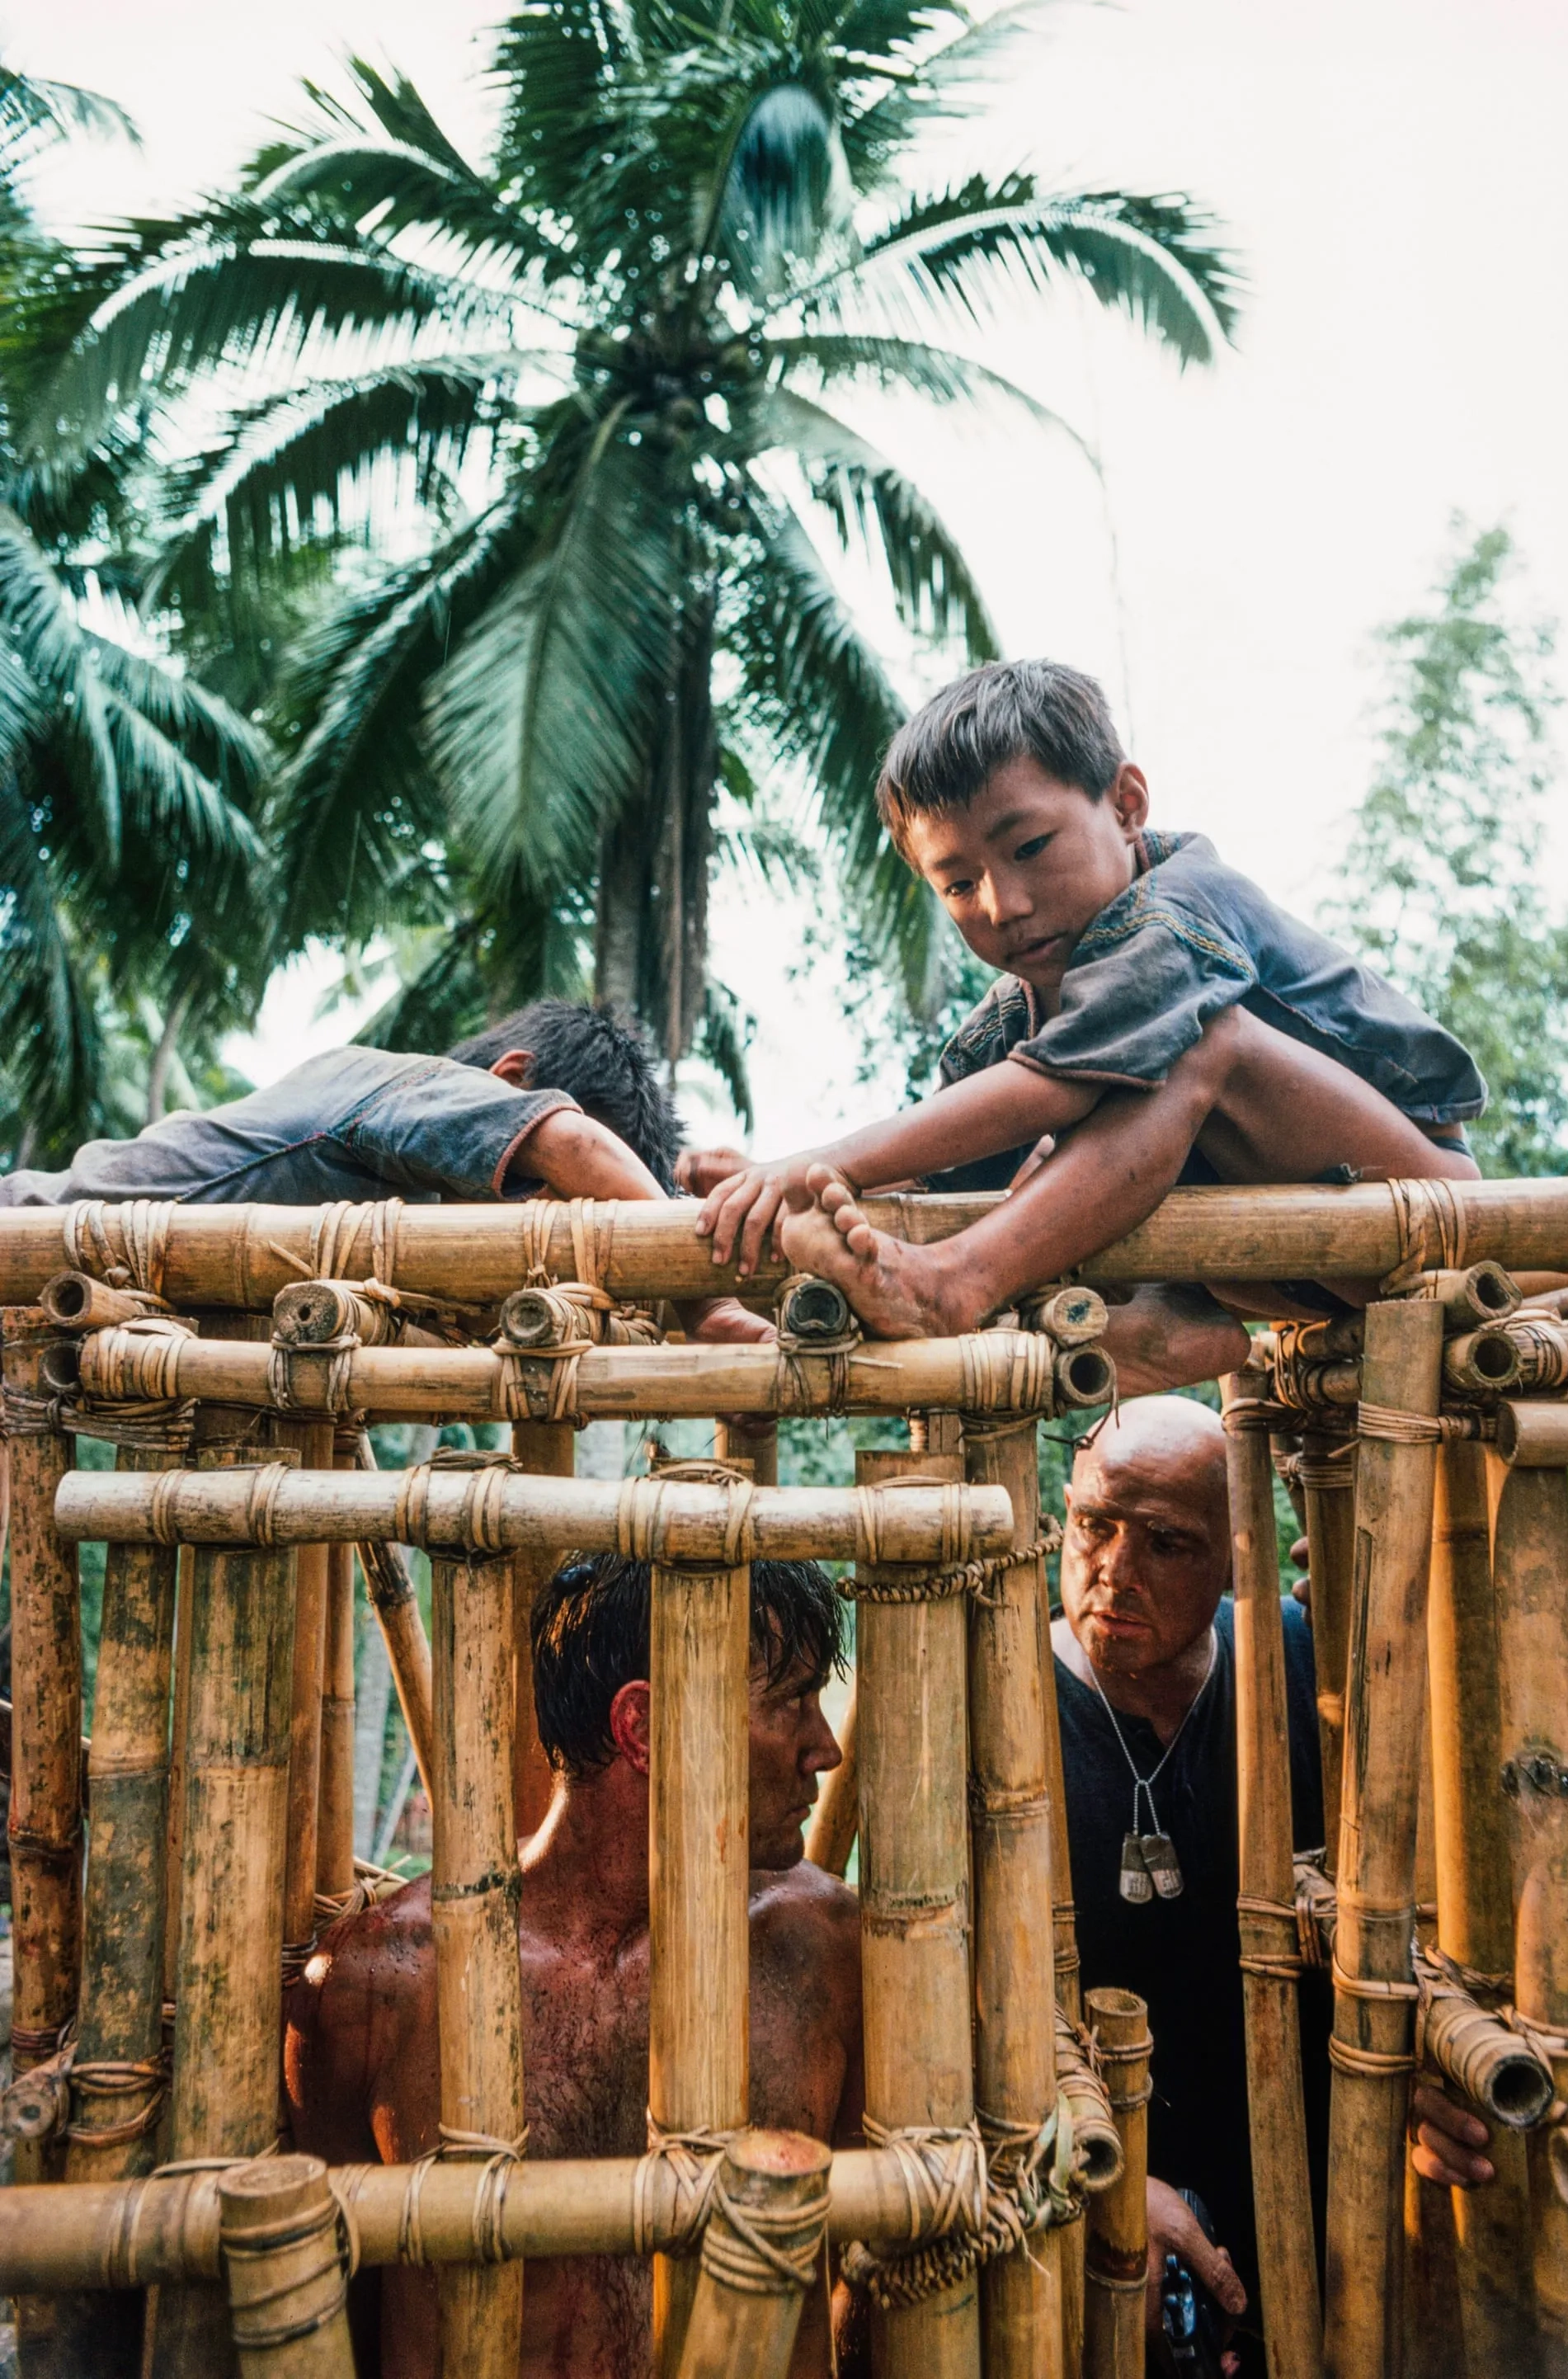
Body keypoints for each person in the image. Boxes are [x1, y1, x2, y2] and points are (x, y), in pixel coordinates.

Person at [684, 661, 1485, 1384]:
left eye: (1030, 846)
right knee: (1032, 1166)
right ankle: (1168, 1327)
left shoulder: (1178, 911)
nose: (1005, 904)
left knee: (1205, 1043)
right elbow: (940, 1169)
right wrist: (776, 1189)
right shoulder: (1009, 1023)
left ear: (1128, 805)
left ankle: (961, 1281)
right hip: (1275, 1275)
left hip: (1424, 1207)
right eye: (959, 885)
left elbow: (1054, 1090)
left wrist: (818, 1159)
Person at [286, 1551, 862, 2378]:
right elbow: (333, 2311)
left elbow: (882, 2271)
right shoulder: (382, 1985)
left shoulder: (827, 1954)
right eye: (791, 1702)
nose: (825, 1748)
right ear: (643, 1728)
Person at [1051, 1396, 1491, 2375]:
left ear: (1238, 1558)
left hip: (1333, 2221)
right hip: (1088, 2212)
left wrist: (1421, 2075)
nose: (1113, 1569)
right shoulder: (1002, 1708)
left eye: (1165, 1542)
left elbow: (1416, 1923)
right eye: (1093, 1524)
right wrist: (1105, 2185)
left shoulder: (1314, 1672)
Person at [1, 997, 768, 1342]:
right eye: (546, 1200)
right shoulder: (413, 1085)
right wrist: (703, 1305)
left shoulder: (409, 1193)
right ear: (508, 1080)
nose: (541, 1216)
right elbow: (577, 1148)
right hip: (23, 1245)